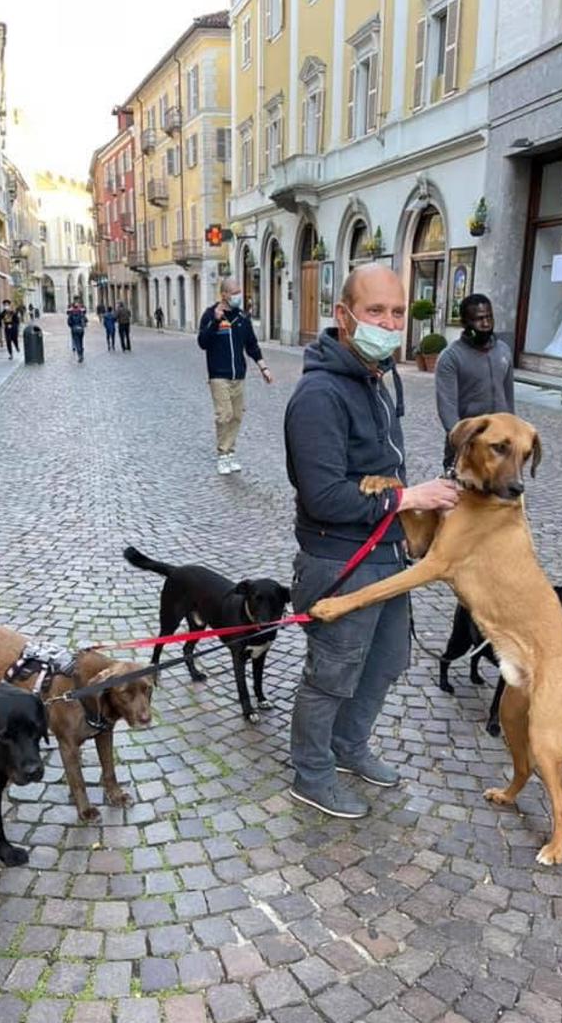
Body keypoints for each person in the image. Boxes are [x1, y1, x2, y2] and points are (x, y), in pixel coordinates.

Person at [282, 262, 460, 818]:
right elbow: (324, 497)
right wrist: (408, 499)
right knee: (331, 675)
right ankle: (310, 774)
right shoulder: (318, 395)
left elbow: (385, 463)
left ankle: (347, 747)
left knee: (385, 662)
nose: (389, 322)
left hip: (388, 554)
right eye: (375, 311)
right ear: (344, 315)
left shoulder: (381, 379)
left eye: (398, 312)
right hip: (339, 560)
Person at [196, 278, 271, 474]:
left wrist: (264, 368)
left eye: (239, 291)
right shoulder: (210, 315)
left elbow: (252, 345)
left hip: (238, 374)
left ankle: (230, 454)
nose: (238, 295)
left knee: (237, 416)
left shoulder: (242, 319)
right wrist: (215, 321)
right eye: (235, 292)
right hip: (218, 375)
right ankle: (222, 455)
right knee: (225, 414)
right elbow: (202, 342)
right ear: (224, 295)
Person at [434, 293, 514, 467]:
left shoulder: (504, 351)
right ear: (464, 323)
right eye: (478, 319)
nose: (485, 324)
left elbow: (509, 398)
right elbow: (447, 409)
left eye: (489, 317)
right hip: (466, 446)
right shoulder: (450, 357)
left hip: (500, 444)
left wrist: (512, 432)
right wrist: (463, 443)